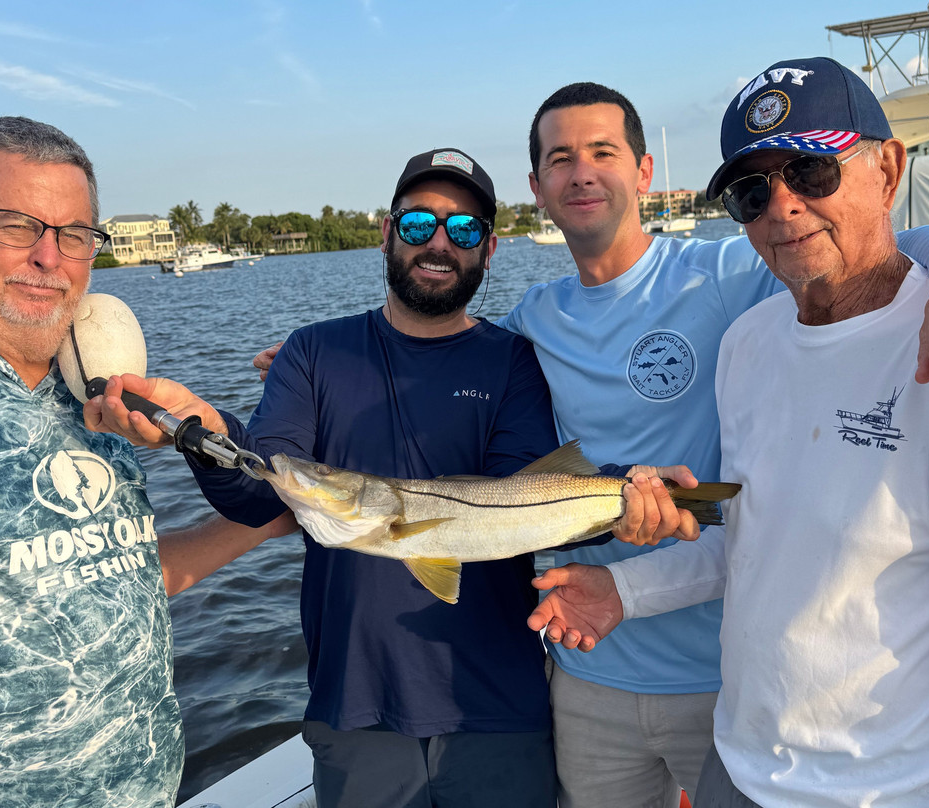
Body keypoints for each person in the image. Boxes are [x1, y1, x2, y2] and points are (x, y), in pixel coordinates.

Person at [251, 85, 929, 807]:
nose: (581, 173)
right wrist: (322, 358)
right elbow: (436, 338)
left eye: (602, 153)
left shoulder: (732, 276)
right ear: (538, 189)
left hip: (721, 676)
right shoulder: (533, 321)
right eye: (560, 158)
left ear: (645, 169)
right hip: (590, 663)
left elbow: (860, 247)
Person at [84, 147, 691, 808]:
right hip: (355, 705)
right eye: (417, 224)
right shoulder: (313, 353)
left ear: (488, 250)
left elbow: (527, 504)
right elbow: (261, 493)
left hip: (496, 706)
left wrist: (629, 503)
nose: (438, 243)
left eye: (462, 231)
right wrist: (203, 428)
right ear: (386, 233)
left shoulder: (513, 360)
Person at [529, 57, 929, 808]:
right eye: (752, 190)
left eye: (810, 171)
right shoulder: (746, 344)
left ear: (889, 169)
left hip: (895, 789)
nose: (783, 207)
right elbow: (751, 534)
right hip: (738, 769)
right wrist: (624, 588)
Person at [0, 116, 292, 808]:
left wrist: (274, 521)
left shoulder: (93, 393)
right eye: (16, 225)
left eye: (74, 234)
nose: (49, 258)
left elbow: (112, 570)